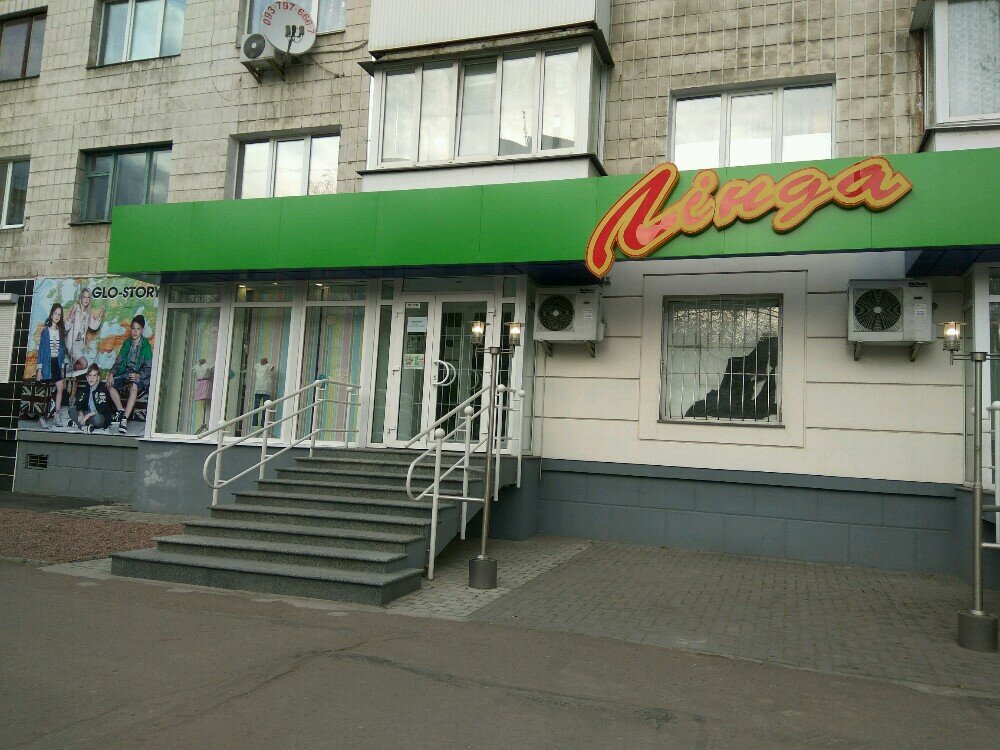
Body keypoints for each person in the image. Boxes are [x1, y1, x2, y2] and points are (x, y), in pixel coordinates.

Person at [107, 314, 153, 435]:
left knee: (134, 387)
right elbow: (118, 362)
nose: (135, 331)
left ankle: (124, 419)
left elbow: (149, 369)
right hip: (126, 374)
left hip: (140, 377)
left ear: (142, 330)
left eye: (138, 329)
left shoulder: (146, 346)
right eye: (133, 328)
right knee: (110, 384)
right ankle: (121, 411)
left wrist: (138, 376)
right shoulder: (127, 343)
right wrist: (111, 374)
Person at [36, 303, 67, 429]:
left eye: (59, 314)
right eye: (55, 313)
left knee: (60, 387)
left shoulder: (61, 332)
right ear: (51, 315)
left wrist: (62, 366)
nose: (57, 316)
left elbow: (62, 351)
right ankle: (41, 417)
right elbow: (41, 351)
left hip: (56, 363)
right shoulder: (45, 332)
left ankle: (56, 415)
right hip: (46, 364)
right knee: (46, 392)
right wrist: (39, 369)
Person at [64, 287, 104, 377]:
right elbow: (66, 327)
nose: (86, 299)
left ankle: (68, 369)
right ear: (80, 298)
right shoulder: (76, 308)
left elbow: (94, 326)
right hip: (72, 343)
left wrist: (101, 314)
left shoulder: (88, 313)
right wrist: (72, 313)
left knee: (83, 367)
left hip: (80, 345)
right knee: (84, 364)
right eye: (84, 297)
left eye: (88, 297)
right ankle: (67, 369)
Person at [68, 364, 113, 433]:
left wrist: (87, 416)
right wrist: (81, 414)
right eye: (90, 375)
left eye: (94, 375)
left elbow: (103, 408)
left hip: (98, 414)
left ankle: (79, 423)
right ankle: (84, 424)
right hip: (89, 412)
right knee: (71, 410)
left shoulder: (101, 388)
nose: (91, 378)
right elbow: (80, 403)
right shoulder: (87, 388)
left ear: (98, 377)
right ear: (87, 377)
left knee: (98, 419)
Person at [251, 357, 276, 428]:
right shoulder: (256, 366)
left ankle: (263, 423)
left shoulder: (270, 366)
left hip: (266, 388)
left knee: (265, 407)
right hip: (258, 388)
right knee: (256, 406)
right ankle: (255, 423)